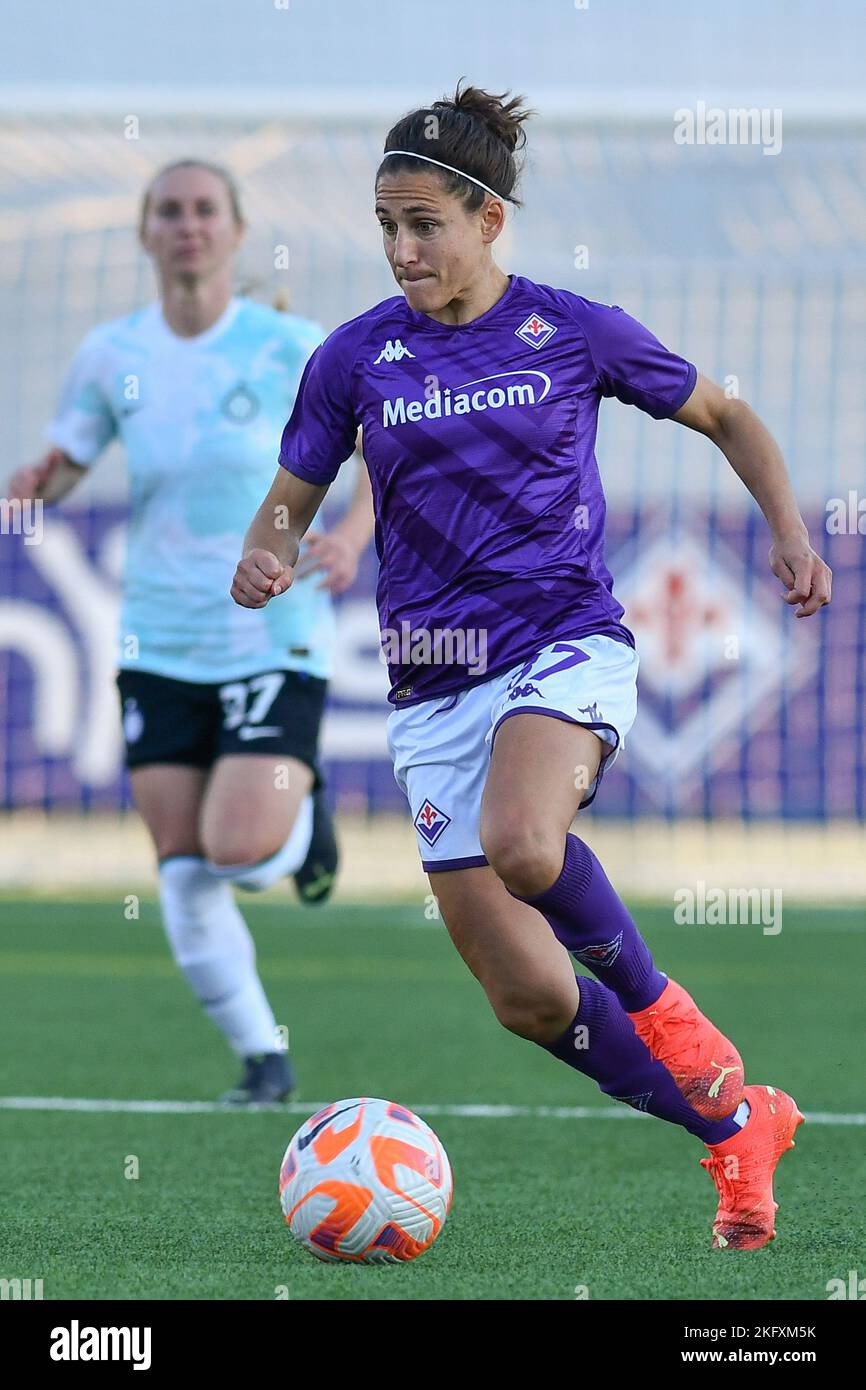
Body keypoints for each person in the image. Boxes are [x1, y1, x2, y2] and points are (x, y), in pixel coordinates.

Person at [231, 84, 832, 1245]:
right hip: (429, 686)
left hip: (561, 643)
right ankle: (735, 1128)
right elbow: (284, 509)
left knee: (522, 842)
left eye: (424, 225)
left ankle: (670, 1013)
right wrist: (263, 559)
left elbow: (726, 415)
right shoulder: (355, 357)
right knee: (525, 995)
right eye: (386, 226)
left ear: (487, 220)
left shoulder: (573, 330)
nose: (402, 249)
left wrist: (789, 530)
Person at [7, 159, 374, 1104]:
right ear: (145, 233)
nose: (187, 227)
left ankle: (306, 832)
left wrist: (353, 533)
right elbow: (69, 462)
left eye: (205, 209)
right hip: (157, 638)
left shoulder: (296, 344)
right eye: (168, 211)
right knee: (182, 868)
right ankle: (263, 1058)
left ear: (237, 229)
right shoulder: (109, 354)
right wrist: (32, 488)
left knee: (241, 852)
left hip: (269, 626)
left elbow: (380, 446)